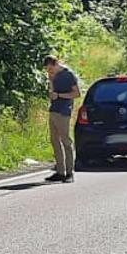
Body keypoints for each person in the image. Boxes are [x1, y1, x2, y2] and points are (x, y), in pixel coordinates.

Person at [43, 55, 81, 183]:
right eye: (48, 70)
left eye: (51, 69)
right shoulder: (53, 76)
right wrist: (51, 82)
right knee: (54, 140)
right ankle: (60, 171)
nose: (49, 72)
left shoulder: (68, 75)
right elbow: (52, 92)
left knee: (66, 141)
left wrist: (59, 95)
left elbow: (77, 93)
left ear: (56, 64)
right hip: (53, 109)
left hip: (64, 111)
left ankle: (70, 173)